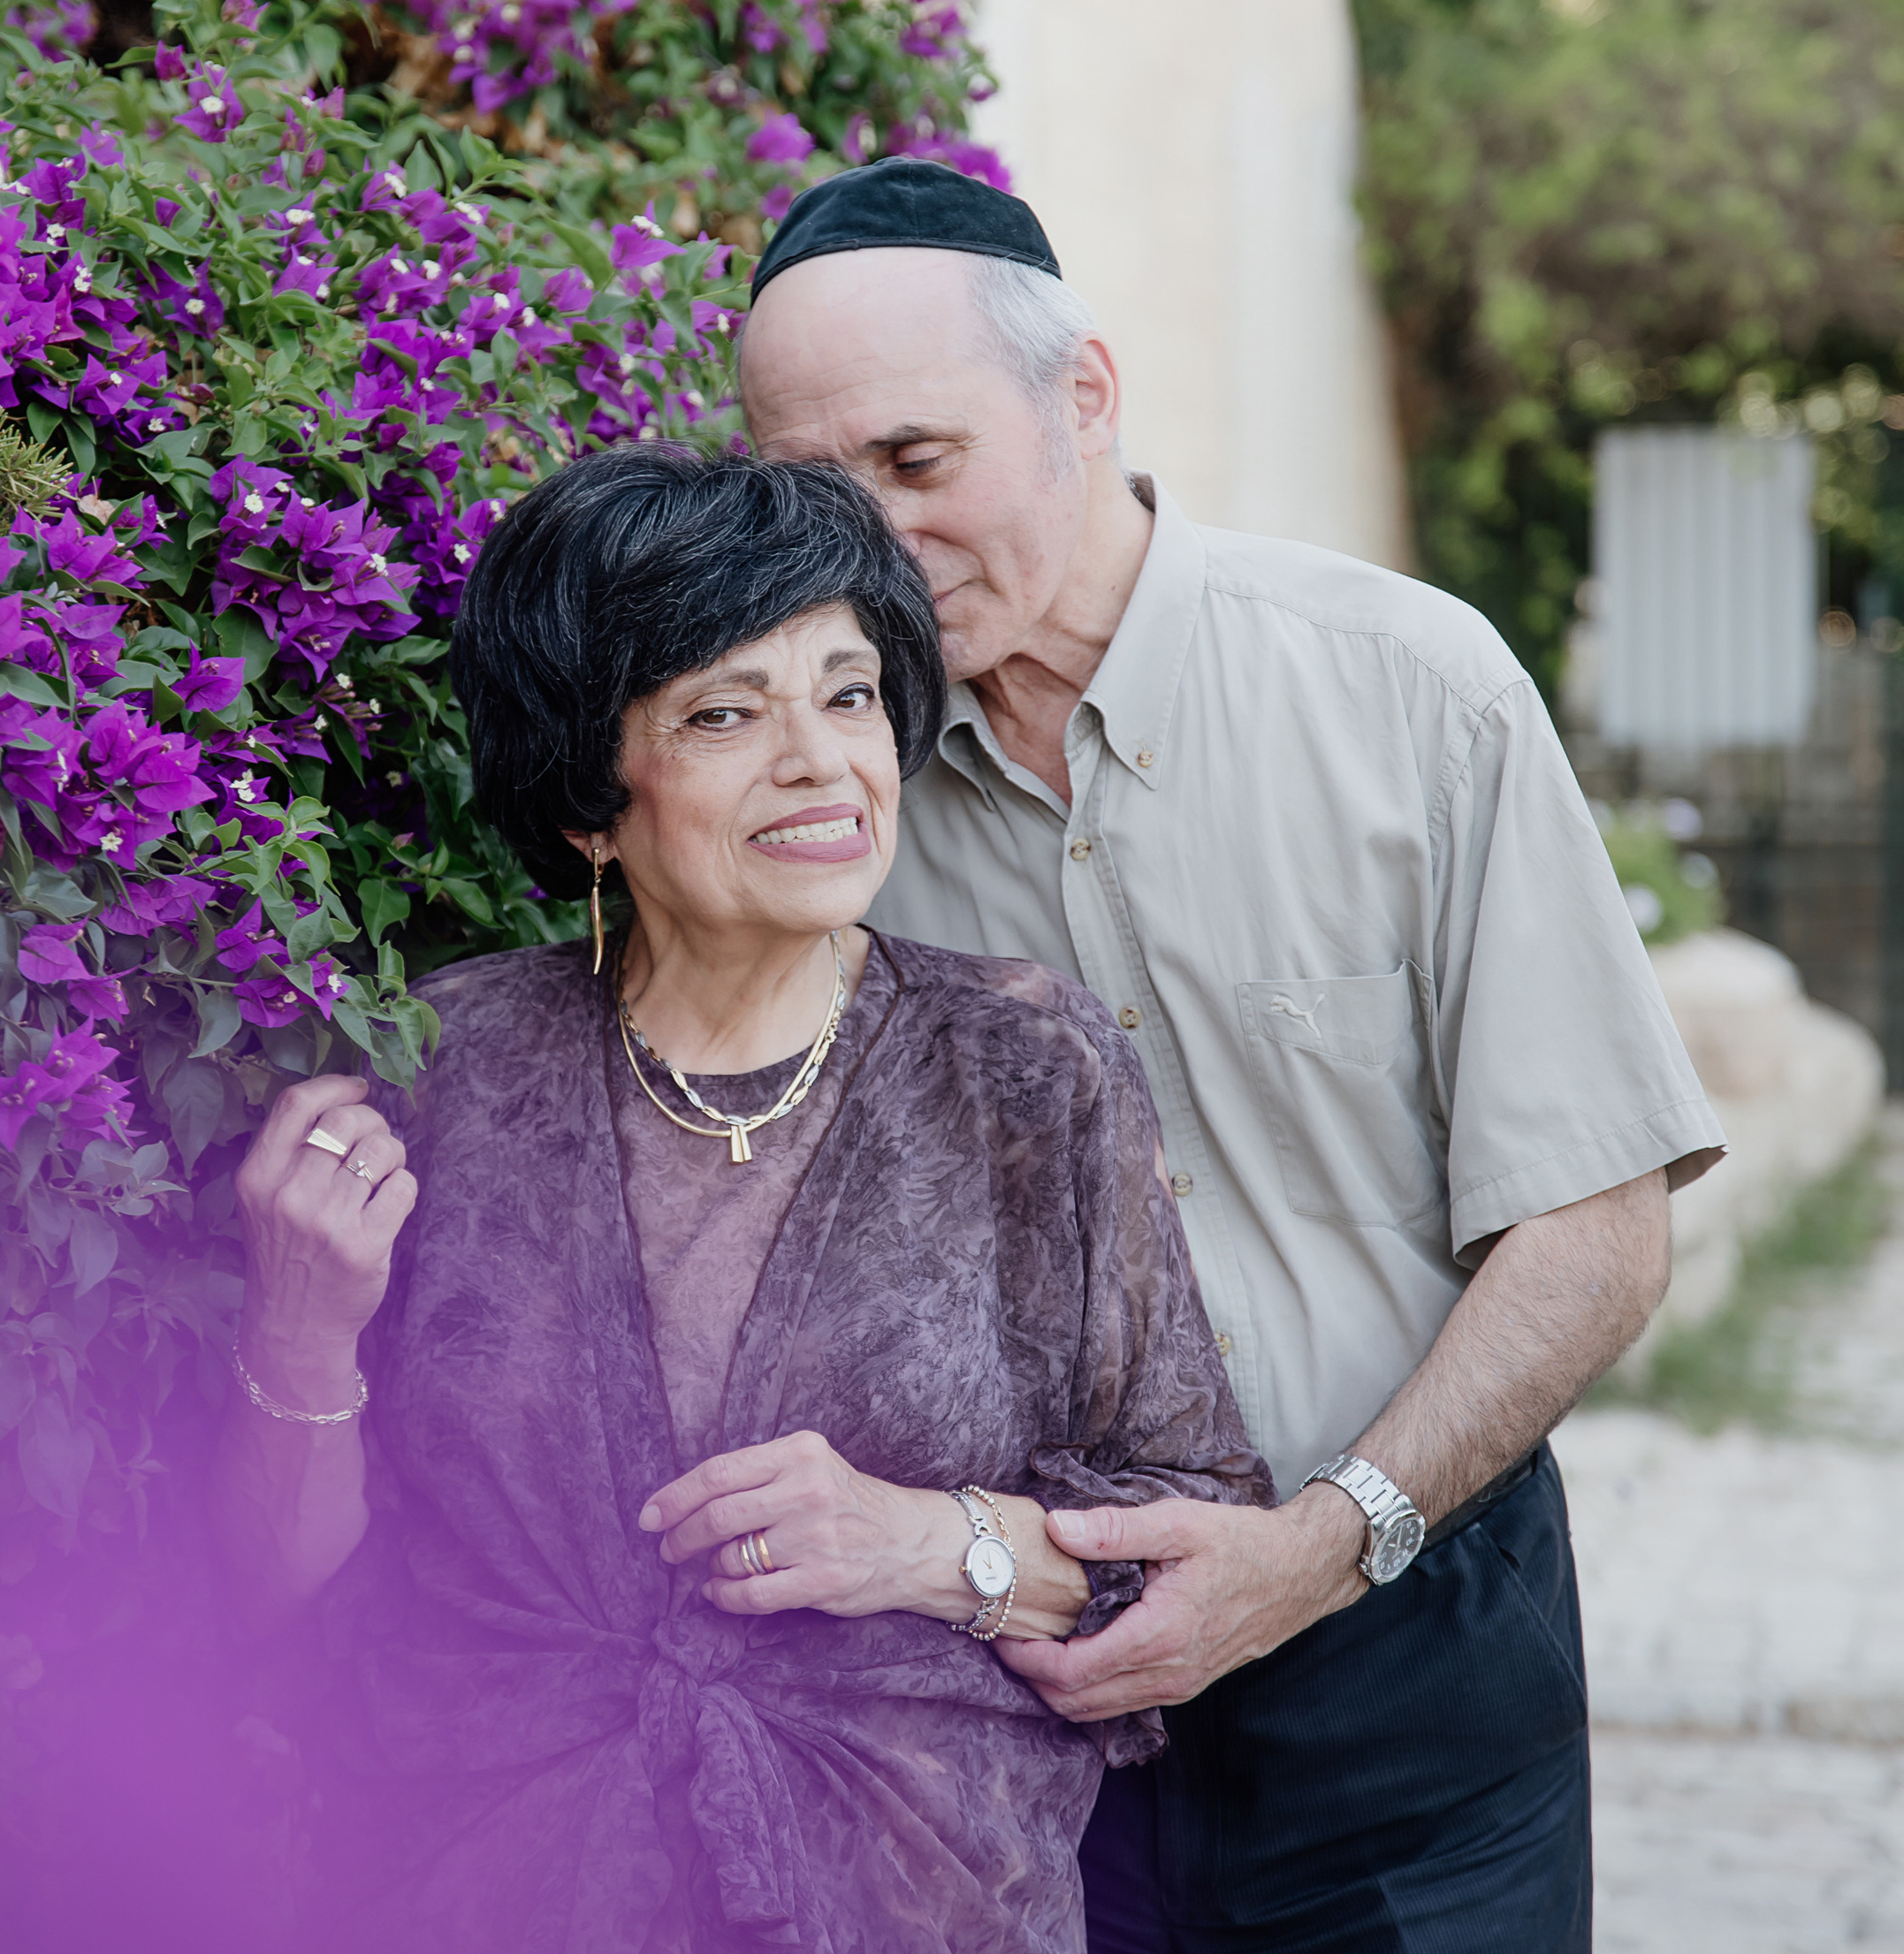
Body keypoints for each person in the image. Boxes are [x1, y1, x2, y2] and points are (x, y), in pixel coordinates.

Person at [739, 157, 1727, 1953]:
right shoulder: (818, 796)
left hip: (1411, 1639)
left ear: (1085, 395)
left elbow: (1596, 1225)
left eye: (916, 460)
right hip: (1014, 1693)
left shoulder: (1413, 691)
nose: (869, 543)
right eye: (812, 491)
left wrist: (1324, 1543)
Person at [209, 448, 1273, 1953]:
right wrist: (301, 1331)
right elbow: (279, 1594)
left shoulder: (1028, 1067)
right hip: (476, 1892)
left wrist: (920, 1544)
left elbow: (1190, 1554)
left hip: (917, 1904)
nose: (820, 760)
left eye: (849, 695)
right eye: (725, 713)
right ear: (589, 802)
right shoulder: (444, 1068)